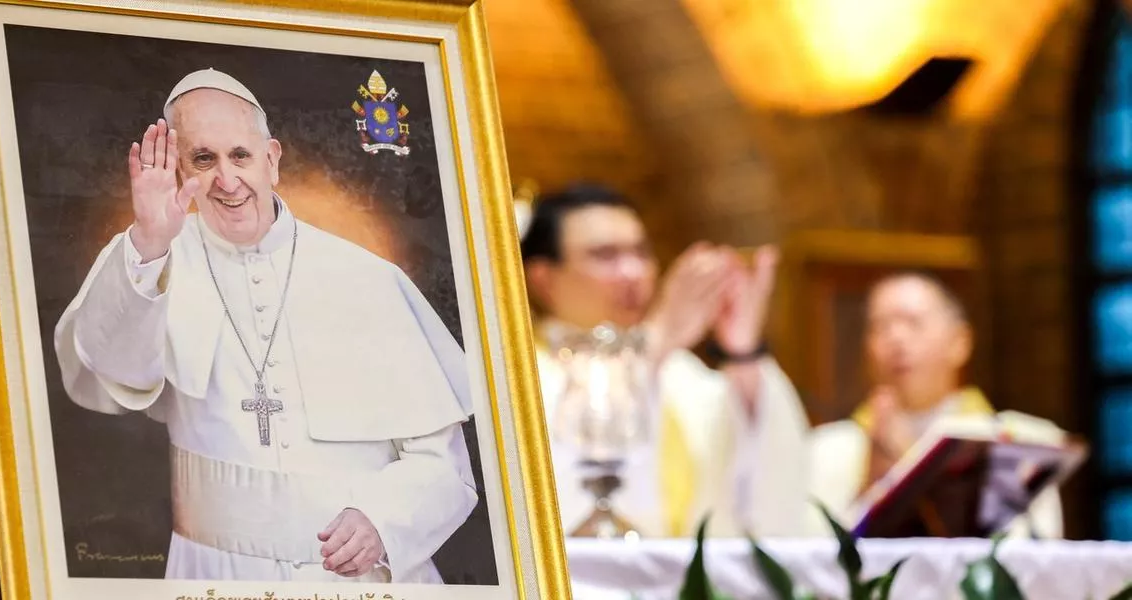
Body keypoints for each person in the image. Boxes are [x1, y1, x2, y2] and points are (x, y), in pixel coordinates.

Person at [52, 68, 478, 583]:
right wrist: (149, 243)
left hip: (358, 582)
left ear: (272, 160)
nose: (227, 181)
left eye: (240, 156)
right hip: (213, 577)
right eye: (202, 159)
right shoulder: (148, 258)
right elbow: (109, 377)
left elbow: (444, 465)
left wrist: (384, 522)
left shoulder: (366, 278)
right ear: (176, 166)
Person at [518, 184, 811, 539]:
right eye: (605, 255)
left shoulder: (680, 371)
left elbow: (760, 458)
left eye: (641, 253)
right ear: (543, 279)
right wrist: (655, 340)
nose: (632, 272)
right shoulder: (521, 373)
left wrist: (742, 352)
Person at [806, 271, 1066, 538]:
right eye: (880, 326)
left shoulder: (1019, 440)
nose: (896, 339)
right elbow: (806, 560)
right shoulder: (825, 449)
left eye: (913, 323)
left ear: (960, 342)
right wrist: (871, 488)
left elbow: (1035, 557)